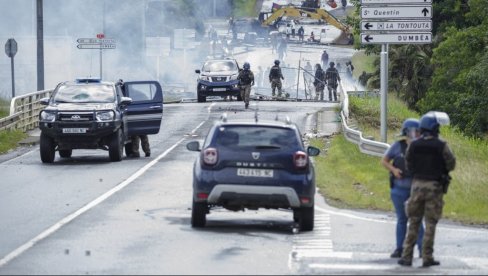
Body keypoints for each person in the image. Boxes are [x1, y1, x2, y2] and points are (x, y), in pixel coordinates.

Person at [398, 112, 456, 268]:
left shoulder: (414, 144)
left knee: (414, 222)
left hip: (416, 186)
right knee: (430, 223)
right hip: (434, 187)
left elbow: (408, 164)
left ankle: (406, 257)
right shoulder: (441, 145)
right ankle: (427, 257)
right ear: (434, 128)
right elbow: (451, 164)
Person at [382, 119, 425, 259]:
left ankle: (422, 249)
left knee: (416, 220)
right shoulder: (397, 146)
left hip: (416, 190)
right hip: (399, 190)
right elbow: (384, 161)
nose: (416, 134)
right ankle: (399, 249)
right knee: (402, 220)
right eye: (414, 131)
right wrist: (394, 170)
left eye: (418, 131)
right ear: (407, 132)